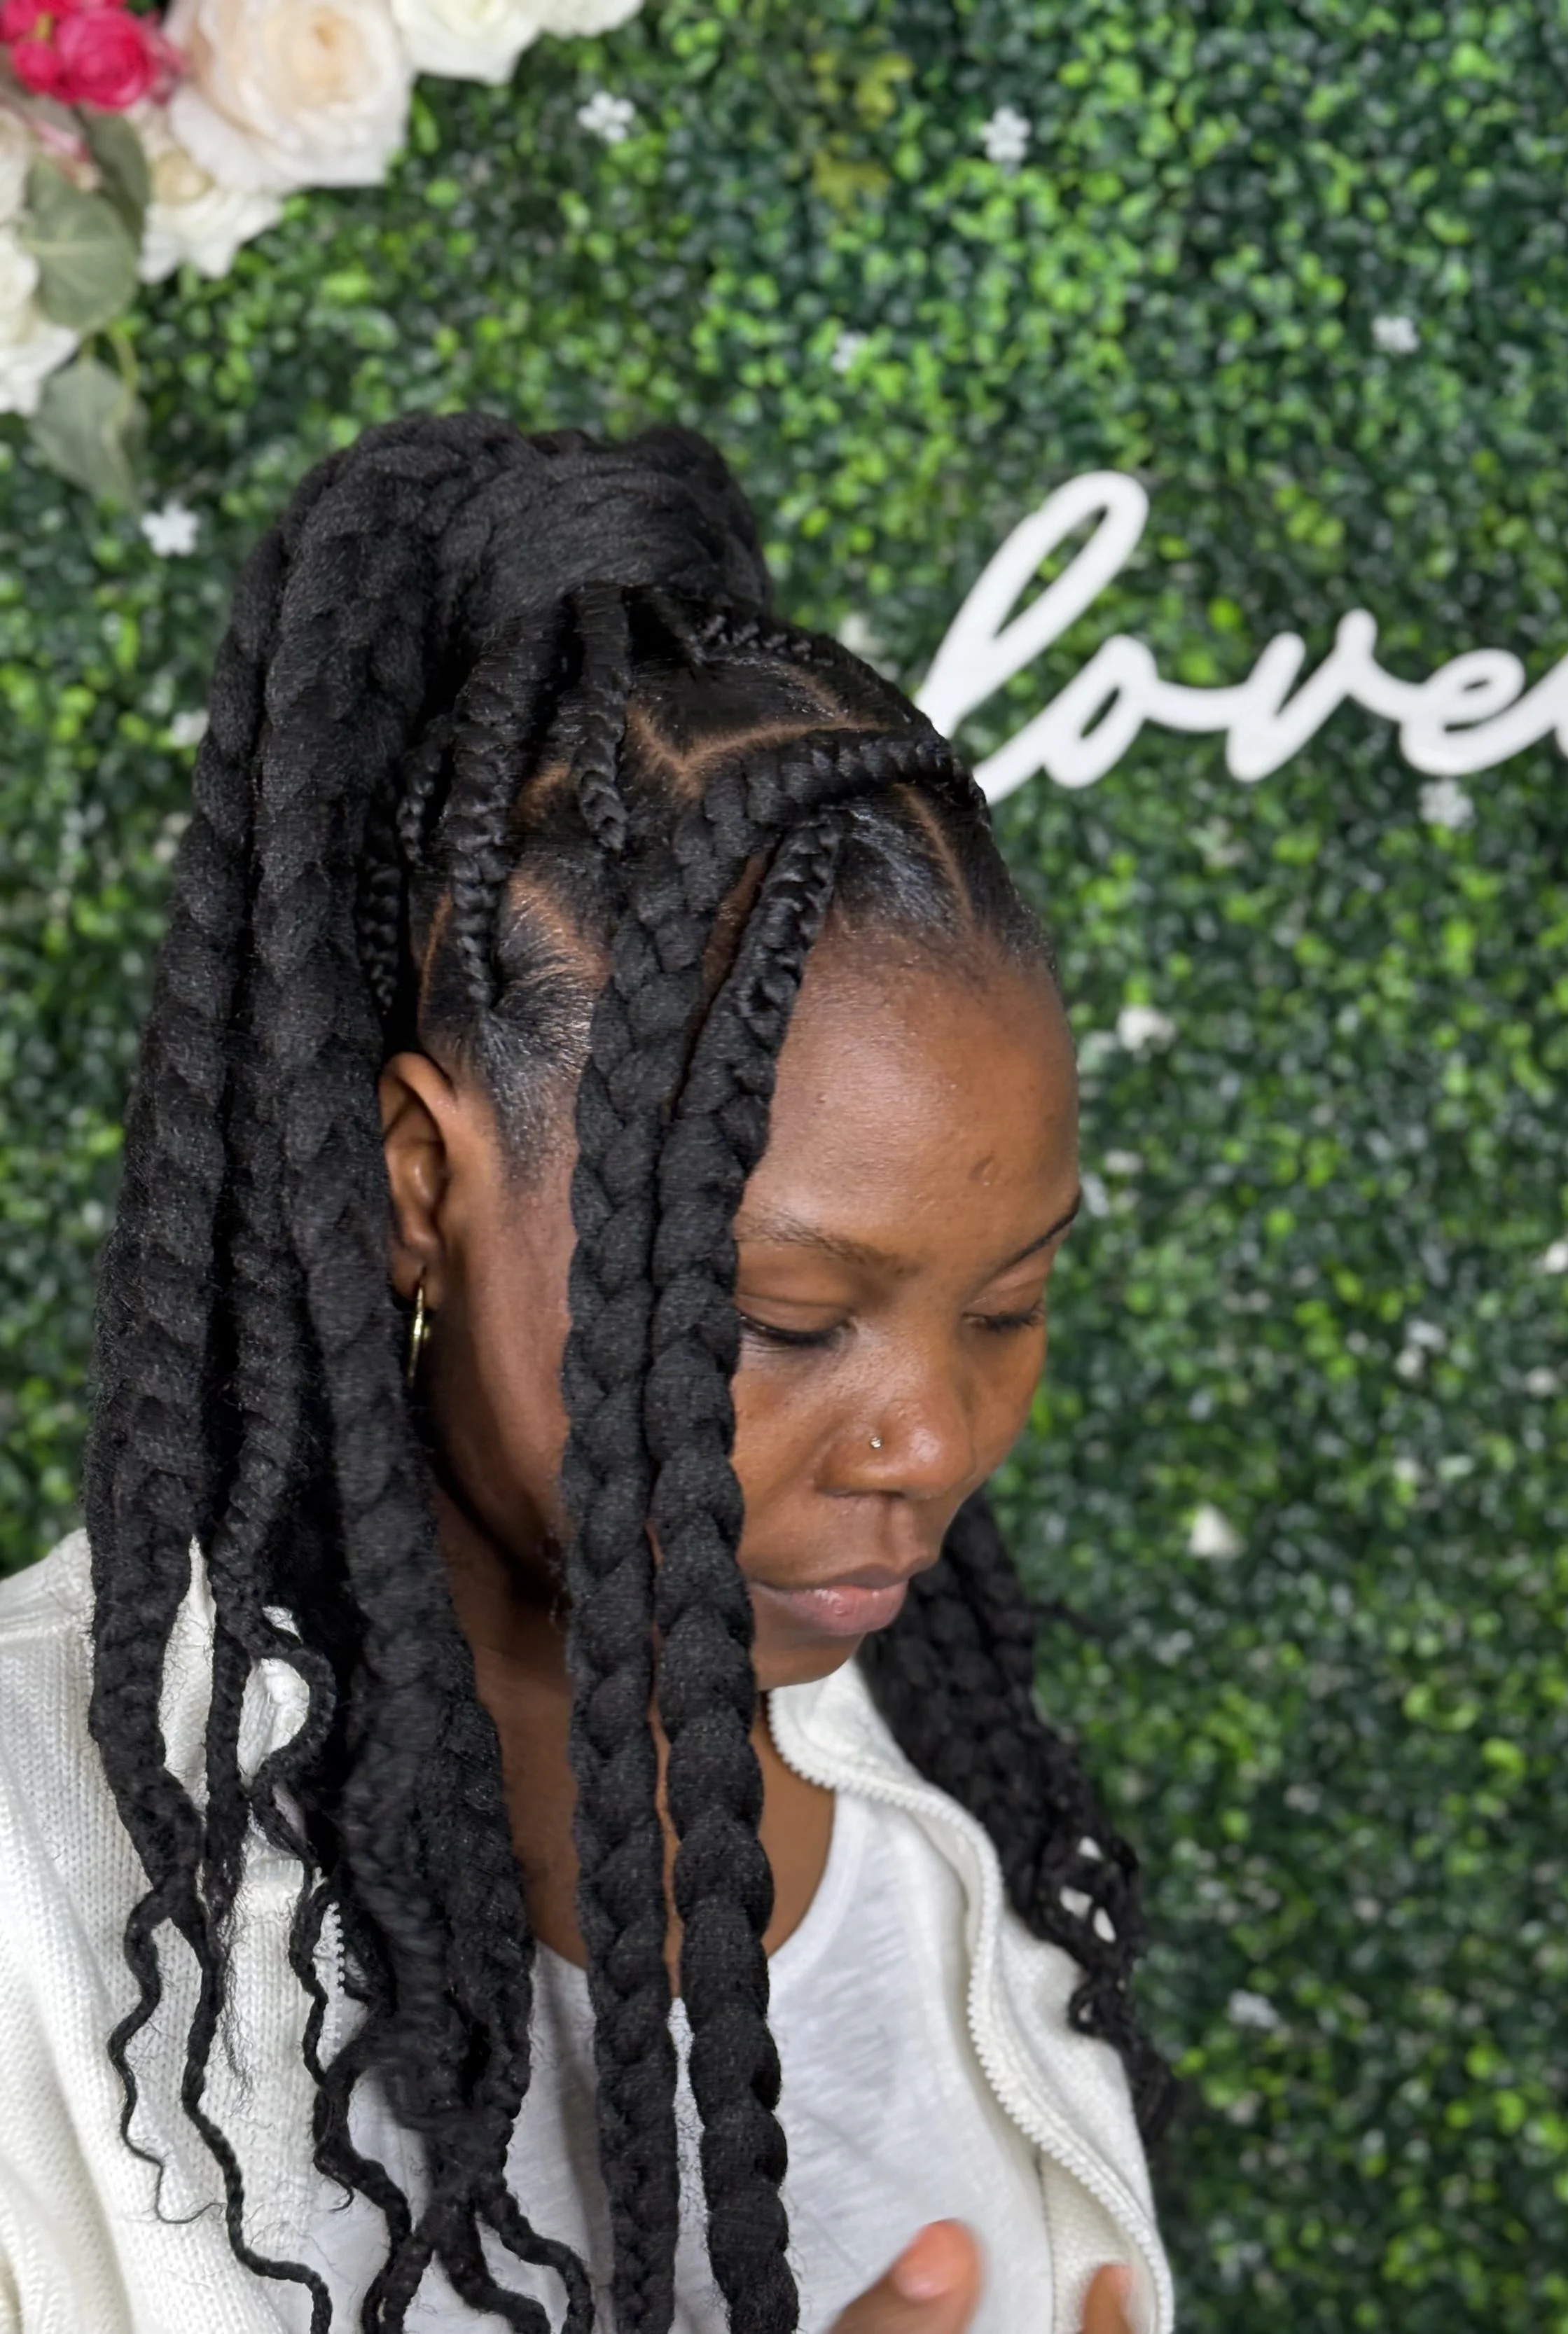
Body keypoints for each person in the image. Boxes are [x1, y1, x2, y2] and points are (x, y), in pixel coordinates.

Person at [0, 416, 1174, 2334]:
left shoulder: (946, 1804)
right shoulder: (27, 1875)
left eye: (1008, 1300)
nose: (937, 1436)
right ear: (415, 1184)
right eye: (787, 1317)